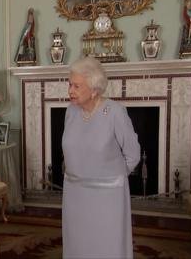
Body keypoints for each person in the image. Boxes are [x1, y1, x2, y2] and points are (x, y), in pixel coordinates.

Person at [61, 57, 140, 258]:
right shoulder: (71, 111)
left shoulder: (115, 112)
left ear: (94, 89)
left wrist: (113, 179)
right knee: (78, 242)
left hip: (108, 197)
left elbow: (133, 154)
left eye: (76, 86)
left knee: (107, 246)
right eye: (70, 84)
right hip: (75, 193)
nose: (70, 90)